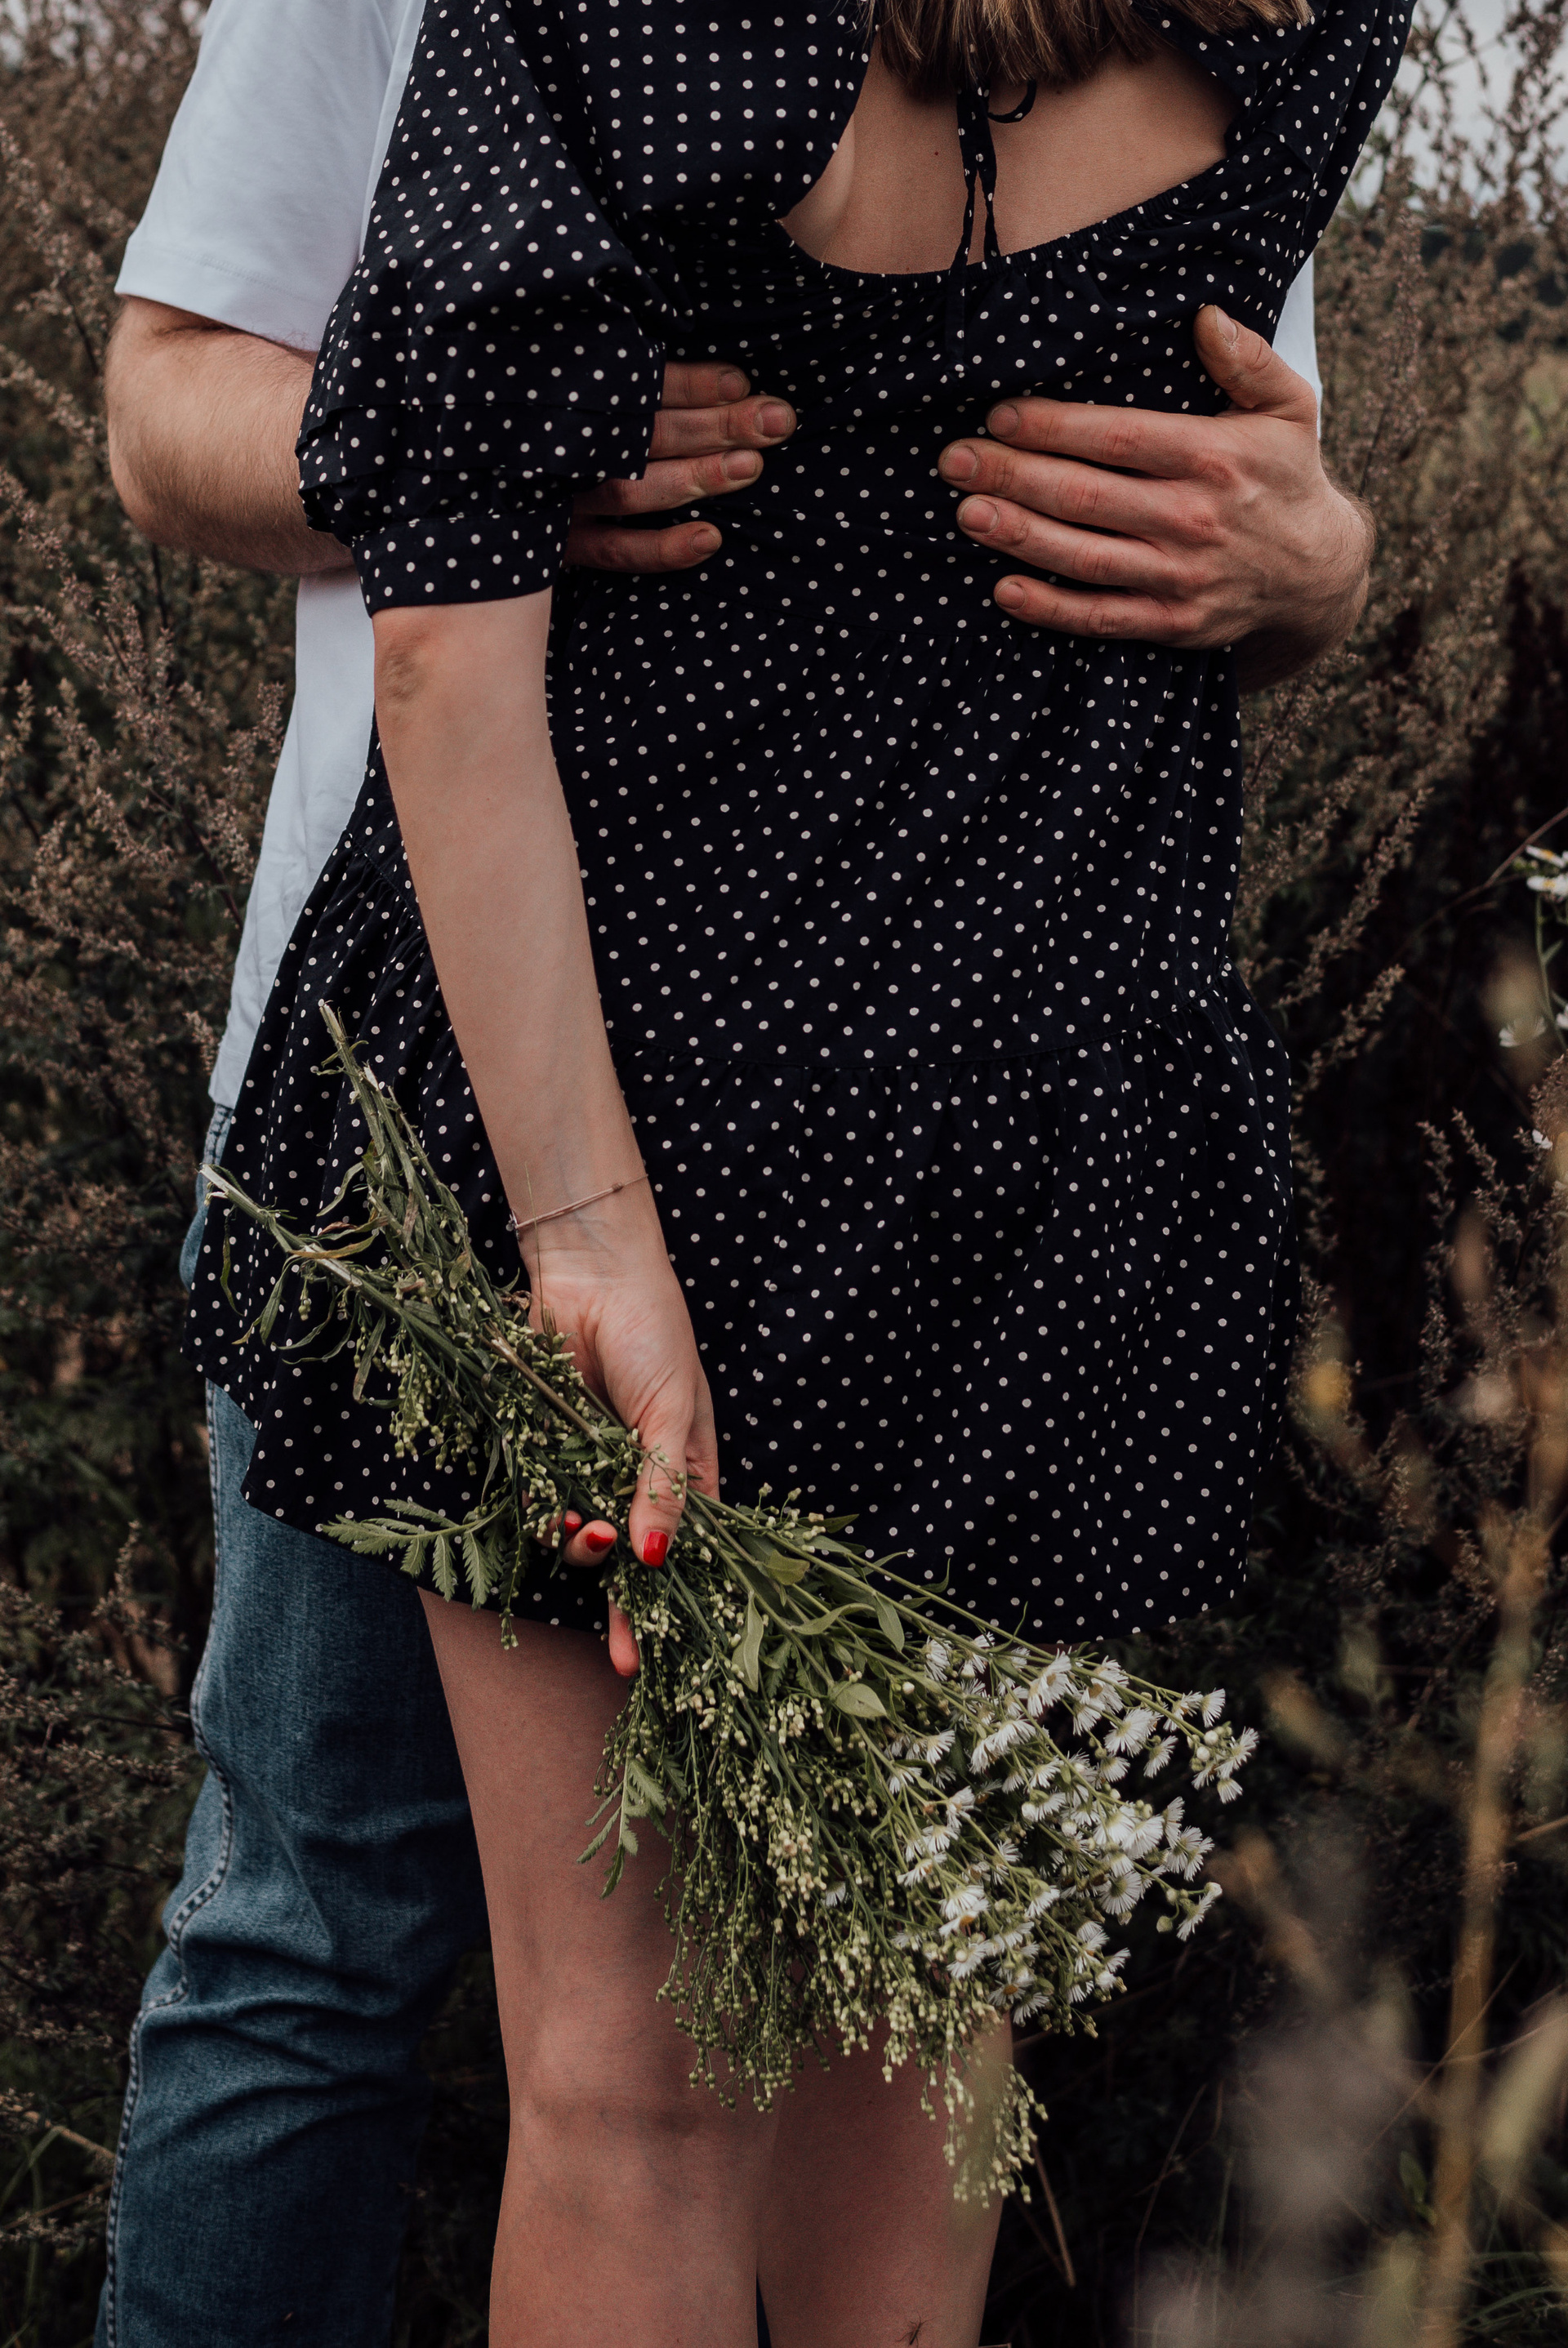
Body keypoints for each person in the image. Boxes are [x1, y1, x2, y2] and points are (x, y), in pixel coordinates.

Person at [96, 0, 1383, 2337]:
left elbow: (1209, 464)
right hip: (733, 1084)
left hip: (659, 1069)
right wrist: (484, 436)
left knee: (675, 2080)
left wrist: (1321, 558)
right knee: (363, 1942)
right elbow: (165, 401)